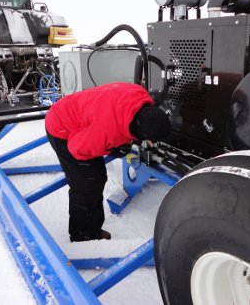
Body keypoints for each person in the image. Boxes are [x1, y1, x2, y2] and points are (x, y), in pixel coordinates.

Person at [45, 82, 171, 242]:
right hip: (61, 128)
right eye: (151, 141)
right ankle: (83, 235)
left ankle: (90, 228)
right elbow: (77, 149)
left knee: (96, 176)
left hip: (80, 113)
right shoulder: (105, 130)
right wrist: (111, 149)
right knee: (88, 181)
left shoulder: (141, 96)